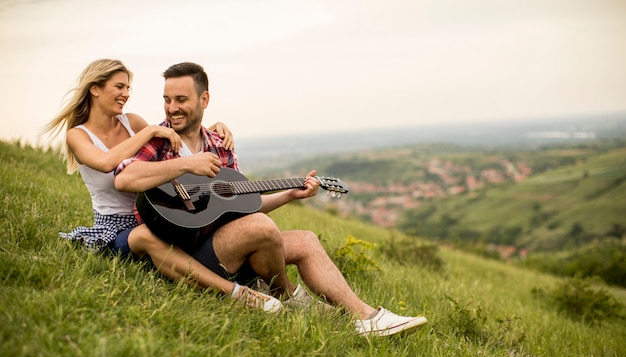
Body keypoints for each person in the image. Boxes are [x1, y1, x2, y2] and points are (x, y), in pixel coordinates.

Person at [114, 61, 428, 336]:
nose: (172, 108)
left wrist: (291, 194)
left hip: (223, 244)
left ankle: (368, 318)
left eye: (181, 99)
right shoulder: (159, 138)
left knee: (305, 240)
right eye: (167, 100)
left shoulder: (220, 146)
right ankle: (288, 296)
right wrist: (185, 164)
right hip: (186, 256)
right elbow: (124, 177)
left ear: (204, 99)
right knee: (262, 227)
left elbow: (239, 207)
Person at [44, 58, 283, 313]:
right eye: (119, 87)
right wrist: (147, 133)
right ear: (95, 89)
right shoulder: (78, 135)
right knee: (145, 237)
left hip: (156, 215)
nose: (126, 94)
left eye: (128, 88)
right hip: (117, 226)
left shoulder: (131, 122)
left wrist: (212, 129)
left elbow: (168, 138)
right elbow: (106, 163)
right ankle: (237, 293)